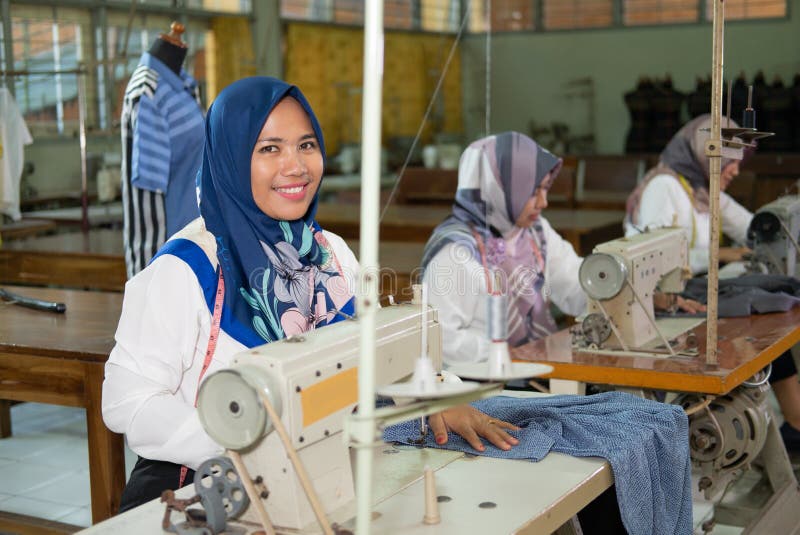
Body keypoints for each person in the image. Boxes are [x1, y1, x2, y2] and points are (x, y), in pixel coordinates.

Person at [102, 76, 519, 512]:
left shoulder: (329, 253)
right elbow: (127, 403)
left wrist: (436, 396)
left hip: (318, 472)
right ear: (229, 157)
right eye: (269, 149)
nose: (296, 166)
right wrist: (247, 444)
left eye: (306, 145)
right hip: (199, 486)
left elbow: (375, 349)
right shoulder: (186, 269)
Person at [624, 114, 800, 454]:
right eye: (730, 162)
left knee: (769, 312)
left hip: (690, 294)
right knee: (761, 312)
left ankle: (792, 423)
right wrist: (723, 255)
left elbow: (756, 225)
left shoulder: (702, 190)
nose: (735, 171)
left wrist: (773, 232)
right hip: (658, 302)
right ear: (706, 155)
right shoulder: (665, 187)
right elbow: (656, 260)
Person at [121, 22, 205, 278]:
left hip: (196, 240)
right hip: (170, 253)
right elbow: (147, 198)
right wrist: (150, 276)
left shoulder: (184, 83)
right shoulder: (147, 93)